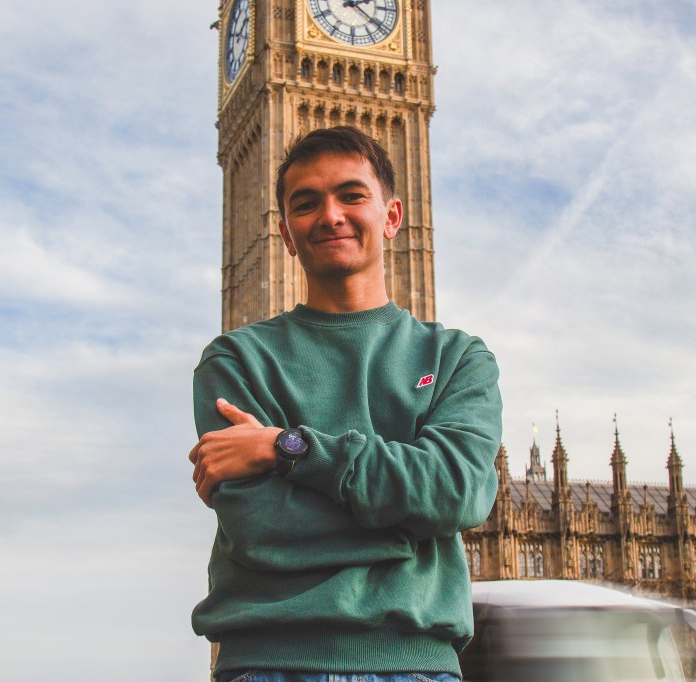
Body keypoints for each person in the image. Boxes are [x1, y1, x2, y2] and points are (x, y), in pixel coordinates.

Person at [188, 126, 502, 682]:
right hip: (269, 666)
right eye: (305, 204)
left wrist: (285, 448)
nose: (330, 215)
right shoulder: (237, 361)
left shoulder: (455, 358)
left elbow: (456, 492)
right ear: (285, 233)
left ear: (392, 216)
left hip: (417, 669)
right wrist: (411, 527)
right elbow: (265, 530)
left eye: (351, 195)